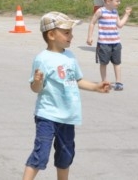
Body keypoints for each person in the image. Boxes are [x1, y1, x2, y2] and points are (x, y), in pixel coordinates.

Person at [22, 12, 111, 179]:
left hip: (68, 117)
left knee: (65, 156)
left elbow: (77, 80)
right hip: (47, 115)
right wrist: (37, 81)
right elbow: (35, 89)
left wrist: (95, 86)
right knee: (41, 154)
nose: (71, 36)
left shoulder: (70, 56)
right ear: (51, 35)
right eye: (67, 32)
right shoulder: (42, 59)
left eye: (71, 32)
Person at [86, 0, 132, 91]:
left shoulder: (115, 12)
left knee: (117, 63)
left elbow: (120, 25)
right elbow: (92, 23)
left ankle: (118, 82)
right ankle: (104, 82)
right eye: (117, 1)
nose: (119, 3)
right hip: (103, 43)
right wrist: (89, 37)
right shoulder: (100, 11)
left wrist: (126, 15)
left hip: (116, 43)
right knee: (104, 63)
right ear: (108, 1)